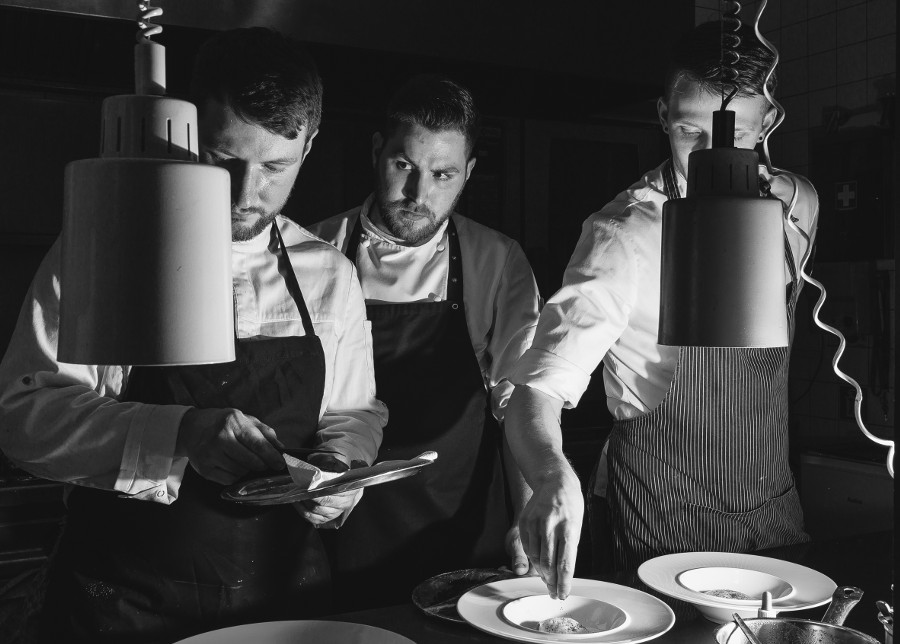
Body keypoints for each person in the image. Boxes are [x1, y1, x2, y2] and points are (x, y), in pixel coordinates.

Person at [0, 27, 386, 643]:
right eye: (224, 158)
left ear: (309, 148)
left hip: (281, 602)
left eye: (275, 167)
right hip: (123, 604)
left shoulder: (328, 274)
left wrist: (341, 469)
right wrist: (177, 432)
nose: (244, 191)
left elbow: (353, 410)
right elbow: (25, 416)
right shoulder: (104, 243)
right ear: (187, 131)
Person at [504, 21, 819, 598]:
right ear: (662, 115)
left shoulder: (796, 207)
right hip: (661, 518)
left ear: (769, 122)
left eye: (734, 137)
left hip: (772, 510)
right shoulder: (623, 234)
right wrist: (552, 479)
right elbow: (536, 393)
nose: (708, 157)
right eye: (687, 131)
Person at [308, 74, 541, 609]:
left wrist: (527, 511)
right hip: (343, 524)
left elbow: (520, 402)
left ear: (468, 174)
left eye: (443, 175)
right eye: (404, 166)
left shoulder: (496, 260)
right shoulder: (317, 251)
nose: (419, 194)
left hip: (462, 523)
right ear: (377, 151)